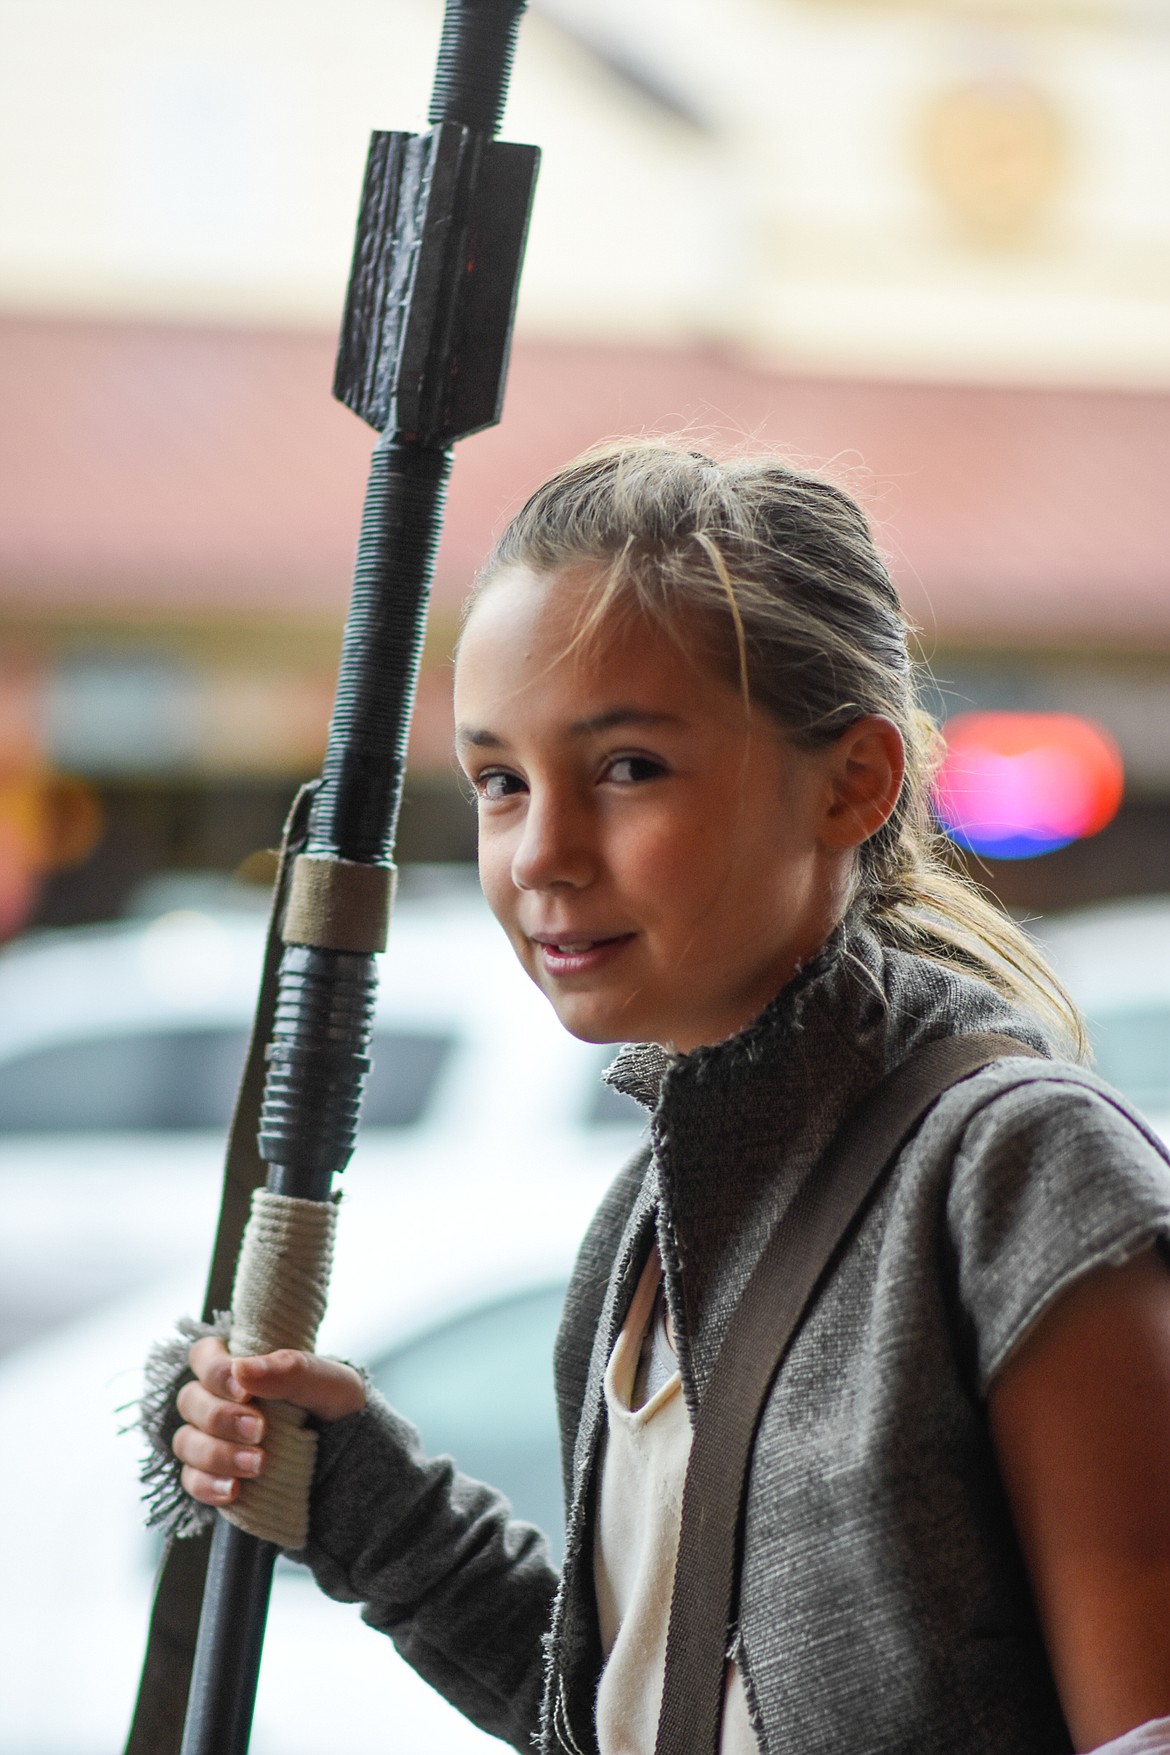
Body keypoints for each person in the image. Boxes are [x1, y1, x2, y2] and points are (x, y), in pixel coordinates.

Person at [157, 442, 1170, 1755]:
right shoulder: (641, 1230)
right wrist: (369, 1509)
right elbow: (649, 1710)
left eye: (628, 767)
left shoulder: (1017, 1174)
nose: (542, 856)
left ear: (855, 782)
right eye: (499, 782)